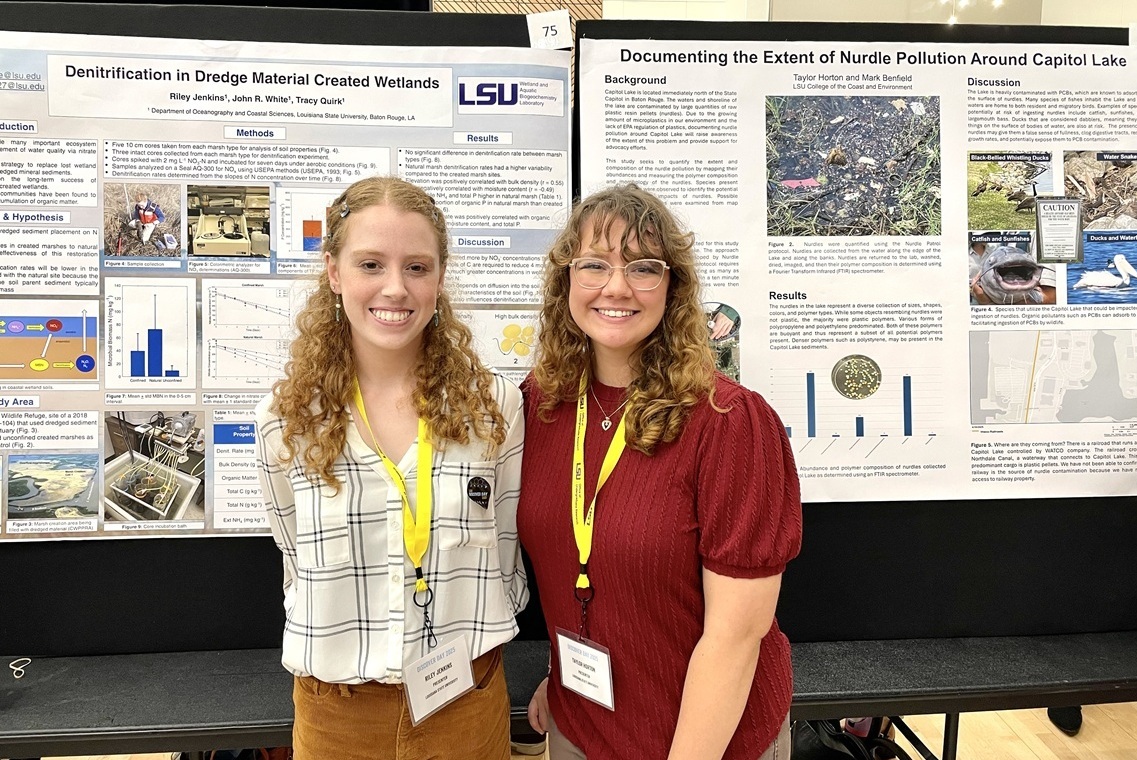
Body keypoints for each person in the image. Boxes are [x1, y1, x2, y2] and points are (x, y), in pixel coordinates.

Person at [518, 184, 802, 759]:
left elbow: (737, 635)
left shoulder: (728, 422)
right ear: (566, 281)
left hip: (710, 742)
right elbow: (574, 564)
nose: (617, 287)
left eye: (643, 267)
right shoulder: (542, 404)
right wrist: (563, 671)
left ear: (673, 288)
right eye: (594, 265)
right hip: (583, 726)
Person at [254, 176, 527, 760]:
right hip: (337, 713)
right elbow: (292, 555)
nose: (396, 288)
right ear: (334, 272)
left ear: (440, 277)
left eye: (417, 267)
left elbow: (506, 546)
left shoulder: (495, 406)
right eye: (371, 264)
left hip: (466, 700)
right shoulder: (286, 419)